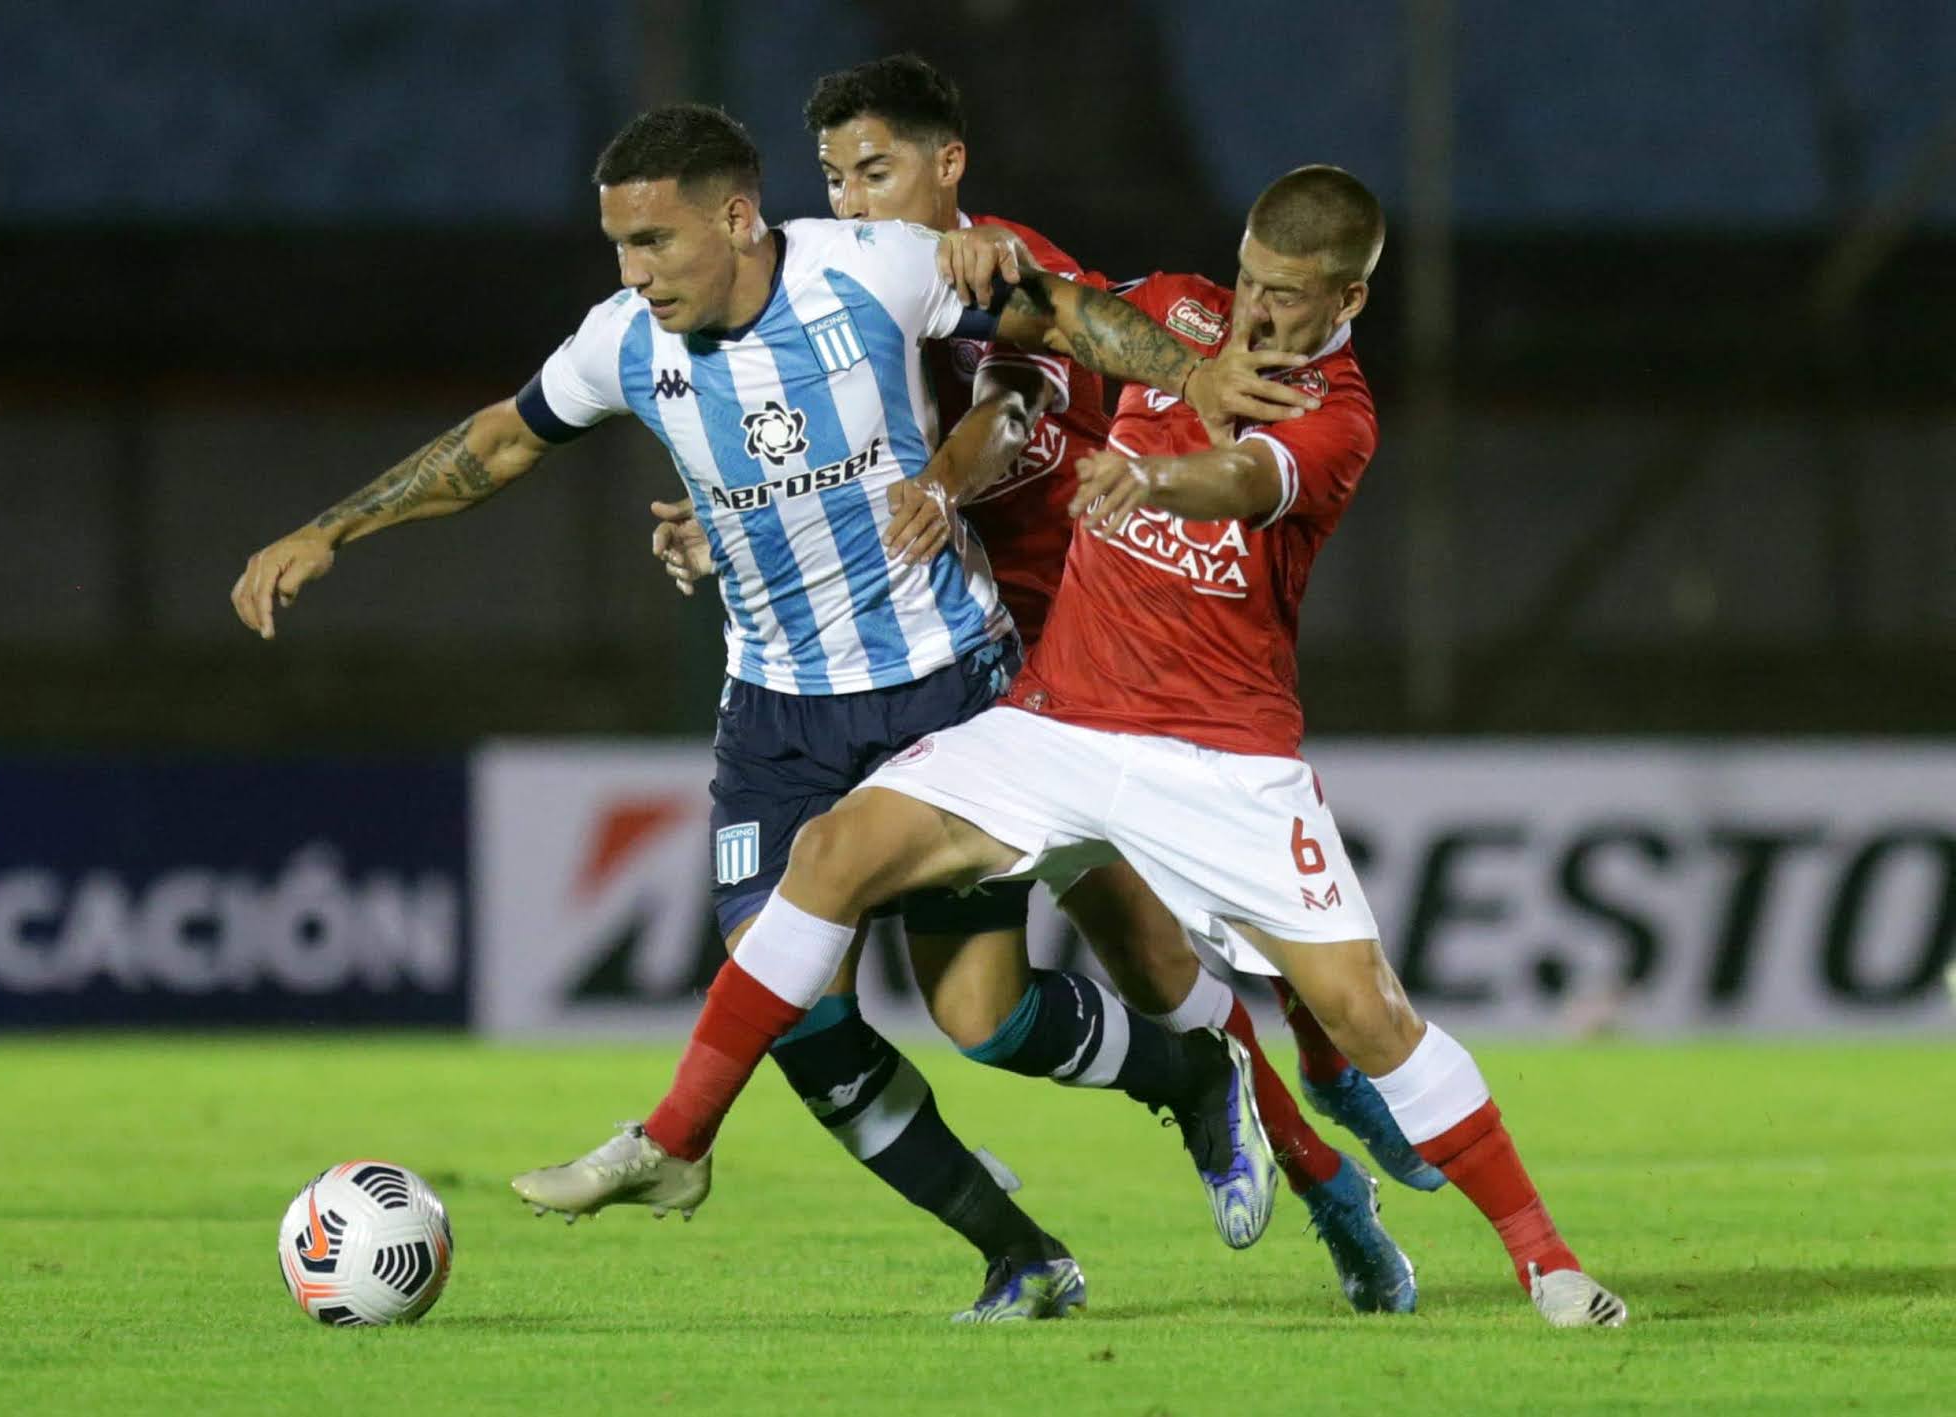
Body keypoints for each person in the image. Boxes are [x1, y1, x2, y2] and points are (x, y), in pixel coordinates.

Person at [229, 102, 1301, 1322]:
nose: (635, 274)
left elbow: (1053, 313)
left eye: (655, 243)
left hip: (938, 689)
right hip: (776, 720)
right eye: (617, 249)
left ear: (737, 217)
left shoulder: (867, 272)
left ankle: (1188, 1077)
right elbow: (499, 441)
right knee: (789, 1010)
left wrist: (1194, 371)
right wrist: (334, 526)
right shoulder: (622, 342)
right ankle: (1021, 1257)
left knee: (982, 1019)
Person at [564, 164, 1630, 1329]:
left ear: (1348, 305)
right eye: (1248, 280)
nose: (1256, 314)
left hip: (1218, 757)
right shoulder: (1174, 313)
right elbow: (1041, 310)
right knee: (826, 857)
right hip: (1055, 721)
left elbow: (1244, 477)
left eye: (1287, 297)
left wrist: (1152, 478)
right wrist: (972, 253)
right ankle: (674, 1136)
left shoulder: (1337, 420)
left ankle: (1542, 1258)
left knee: (1365, 1012)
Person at [648, 55, 1430, 1314]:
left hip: (1094, 645)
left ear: (946, 166)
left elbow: (1016, 399)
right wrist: (711, 526)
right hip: (959, 673)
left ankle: (1325, 1140)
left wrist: (950, 476)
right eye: (835, 177)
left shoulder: (1001, 267)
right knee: (1044, 986)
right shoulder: (823, 291)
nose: (851, 200)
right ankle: (1278, 1171)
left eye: (877, 170)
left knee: (1209, 952)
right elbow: (797, 468)